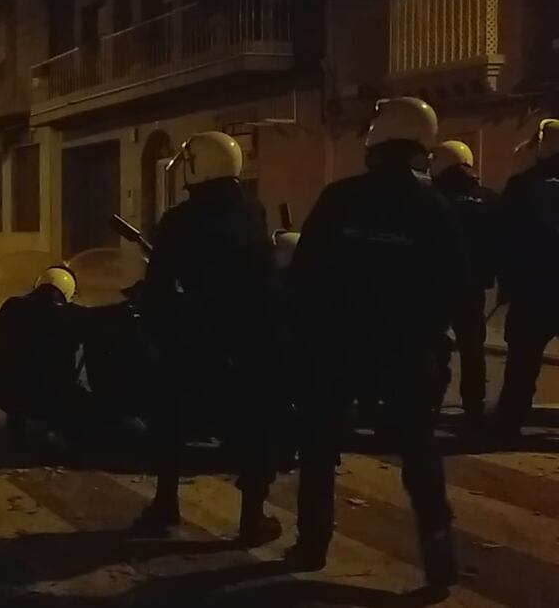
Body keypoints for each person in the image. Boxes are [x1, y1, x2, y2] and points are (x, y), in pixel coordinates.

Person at [287, 97, 464, 588]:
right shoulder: (435, 208)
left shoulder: (340, 198)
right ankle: (438, 552)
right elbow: (456, 284)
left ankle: (312, 543)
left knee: (319, 445)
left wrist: (309, 337)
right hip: (406, 349)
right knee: (419, 451)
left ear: (377, 141)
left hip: (339, 347)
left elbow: (304, 276)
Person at [135, 131, 282, 545]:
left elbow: (159, 288)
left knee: (171, 418)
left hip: (196, 334)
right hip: (253, 335)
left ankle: (166, 503)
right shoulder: (253, 210)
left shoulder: (179, 220)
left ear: (198, 166)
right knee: (256, 424)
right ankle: (252, 517)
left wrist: (159, 333)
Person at [492, 118, 559, 437]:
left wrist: (506, 283)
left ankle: (508, 423)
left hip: (533, 291)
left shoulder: (522, 186)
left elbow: (503, 237)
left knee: (522, 363)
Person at [429, 140, 499, 428]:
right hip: (472, 287)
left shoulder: (433, 198)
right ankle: (473, 406)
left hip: (436, 285)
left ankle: (430, 401)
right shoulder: (489, 199)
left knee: (432, 345)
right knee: (472, 349)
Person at [0, 266, 86, 439]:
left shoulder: (13, 305)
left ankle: (17, 422)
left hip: (4, 392)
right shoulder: (73, 315)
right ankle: (57, 429)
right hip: (49, 396)